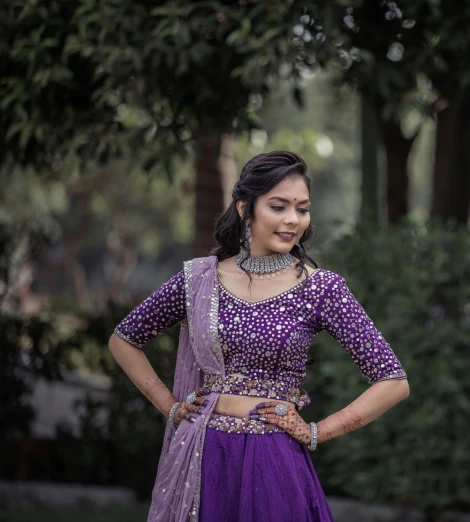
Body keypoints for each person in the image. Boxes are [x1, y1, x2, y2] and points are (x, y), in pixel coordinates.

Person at [108, 151, 410, 522]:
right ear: (244, 208)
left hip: (273, 461)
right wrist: (168, 405)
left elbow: (393, 380)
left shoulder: (320, 288)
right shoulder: (201, 279)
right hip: (204, 454)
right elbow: (124, 339)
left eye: (302, 209)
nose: (292, 220)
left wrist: (317, 431)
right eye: (279, 206)